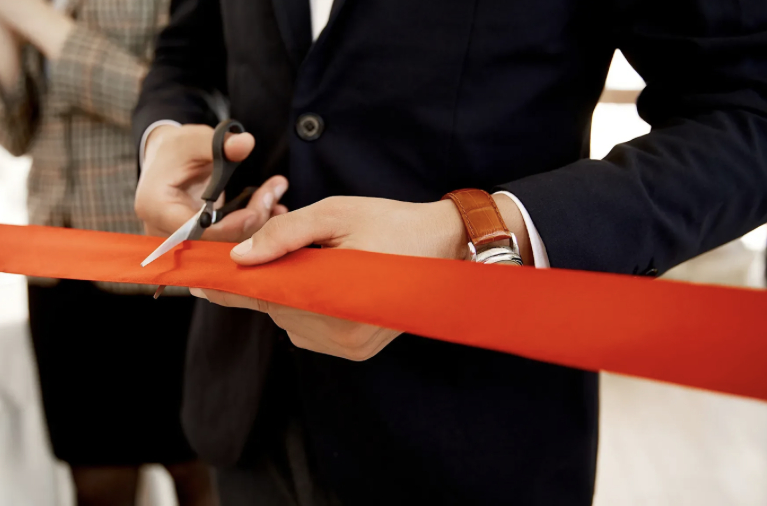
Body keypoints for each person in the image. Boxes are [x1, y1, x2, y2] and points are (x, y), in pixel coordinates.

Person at [133, 0, 767, 504]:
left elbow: (748, 115)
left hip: (476, 429)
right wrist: (162, 139)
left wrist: (476, 233)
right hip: (247, 407)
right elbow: (186, 55)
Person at [0, 0, 215, 505]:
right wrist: (5, 27)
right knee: (95, 477)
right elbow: (12, 134)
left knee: (198, 467)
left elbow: (172, 104)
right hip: (57, 269)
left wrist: (38, 22)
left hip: (156, 260)